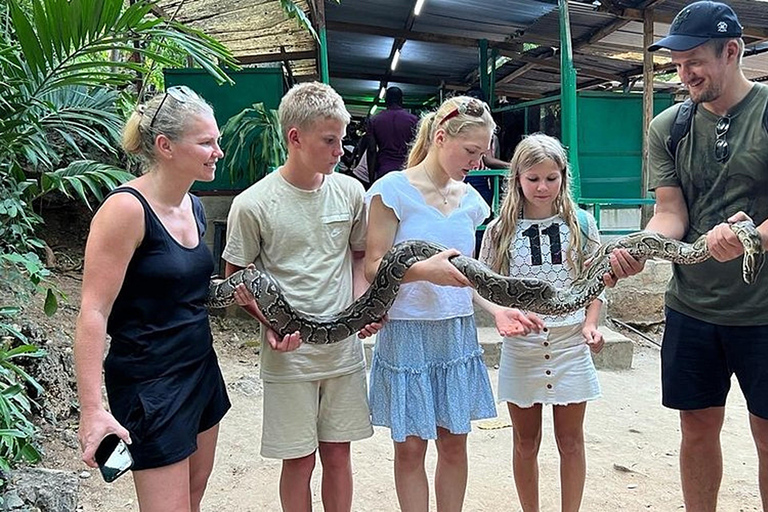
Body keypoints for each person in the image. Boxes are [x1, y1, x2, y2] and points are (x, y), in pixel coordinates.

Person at [606, 2, 768, 510]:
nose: (684, 73)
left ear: (732, 51)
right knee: (696, 428)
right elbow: (670, 213)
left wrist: (753, 238)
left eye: (694, 59)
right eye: (676, 64)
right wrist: (641, 247)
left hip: (763, 313)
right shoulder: (669, 126)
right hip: (692, 309)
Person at [364, 95, 541, 512]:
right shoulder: (392, 190)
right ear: (440, 137)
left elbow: (469, 278)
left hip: (455, 332)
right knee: (409, 449)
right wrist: (426, 272)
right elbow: (373, 266)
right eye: (471, 151)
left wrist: (498, 309)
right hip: (408, 331)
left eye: (483, 153)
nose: (478, 162)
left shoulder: (471, 201)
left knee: (454, 445)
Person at [221, 82, 381, 512]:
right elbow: (235, 277)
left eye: (341, 139)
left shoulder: (350, 192)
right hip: (289, 355)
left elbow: (359, 256)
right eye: (329, 140)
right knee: (298, 460)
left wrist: (364, 304)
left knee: (339, 455)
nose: (339, 150)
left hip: (343, 353)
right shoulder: (253, 203)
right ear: (295, 137)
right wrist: (269, 324)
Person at [75, 85, 230, 512]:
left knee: (194, 495)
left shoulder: (195, 206)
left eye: (216, 140)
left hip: (200, 368)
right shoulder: (125, 210)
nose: (218, 151)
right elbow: (93, 310)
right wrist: (92, 411)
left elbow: (184, 292)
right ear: (165, 146)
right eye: (206, 142)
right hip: (151, 383)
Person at [479, 133, 605, 512]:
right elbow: (480, 283)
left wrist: (591, 324)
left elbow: (596, 280)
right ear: (517, 178)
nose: (542, 187)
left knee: (571, 442)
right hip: (523, 347)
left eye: (551, 178)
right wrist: (499, 313)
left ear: (563, 177)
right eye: (533, 178)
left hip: (570, 344)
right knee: (525, 442)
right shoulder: (499, 229)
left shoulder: (581, 223)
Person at [367, 86, 419, 181]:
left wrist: (371, 179)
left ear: (386, 100)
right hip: (406, 171)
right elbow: (419, 148)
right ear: (401, 100)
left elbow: (371, 151)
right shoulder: (414, 120)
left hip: (384, 171)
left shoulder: (375, 120)